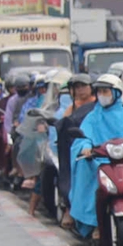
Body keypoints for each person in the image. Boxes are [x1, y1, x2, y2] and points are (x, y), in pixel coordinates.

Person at [70, 75, 123, 244]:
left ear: (116, 93)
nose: (102, 95)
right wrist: (85, 148)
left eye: (106, 91)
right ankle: (94, 222)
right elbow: (83, 137)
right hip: (100, 161)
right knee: (86, 168)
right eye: (100, 92)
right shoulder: (92, 117)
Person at [52, 74, 96, 228]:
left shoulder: (98, 107)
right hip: (77, 149)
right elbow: (63, 127)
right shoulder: (71, 108)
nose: (81, 90)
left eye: (84, 86)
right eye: (77, 87)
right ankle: (70, 207)